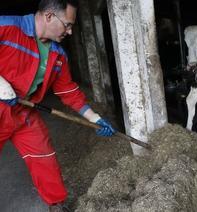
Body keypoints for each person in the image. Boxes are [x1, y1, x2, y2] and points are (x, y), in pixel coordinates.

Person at [0, 0, 115, 211]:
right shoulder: (7, 27)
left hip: (23, 111)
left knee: (44, 156)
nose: (70, 32)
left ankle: (56, 205)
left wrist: (94, 118)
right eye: (68, 24)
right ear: (49, 16)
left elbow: (68, 92)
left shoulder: (58, 55)